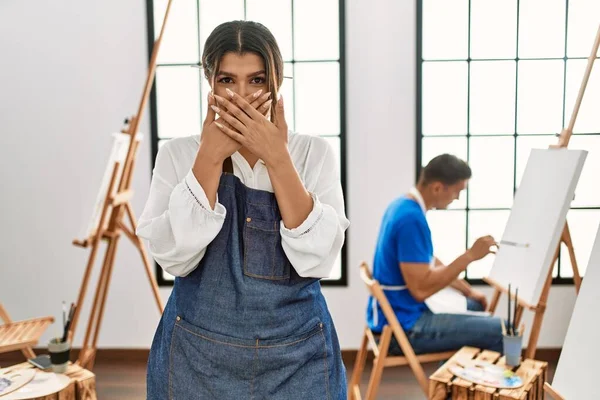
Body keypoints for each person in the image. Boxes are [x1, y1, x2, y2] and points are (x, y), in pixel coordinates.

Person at [137, 20, 349, 399]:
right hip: (196, 357)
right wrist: (209, 158)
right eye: (227, 81)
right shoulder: (178, 154)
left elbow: (318, 259)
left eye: (256, 80)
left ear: (276, 83)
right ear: (210, 82)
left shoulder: (312, 153)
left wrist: (277, 159)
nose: (240, 95)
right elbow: (174, 258)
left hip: (297, 356)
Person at [366, 153, 503, 355]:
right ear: (438, 187)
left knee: (474, 305)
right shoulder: (411, 219)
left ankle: (448, 385)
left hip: (395, 315)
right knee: (502, 330)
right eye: (457, 191)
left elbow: (428, 261)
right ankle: (455, 384)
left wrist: (467, 290)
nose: (457, 198)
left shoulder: (401, 205)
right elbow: (421, 290)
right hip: (403, 327)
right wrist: (470, 256)